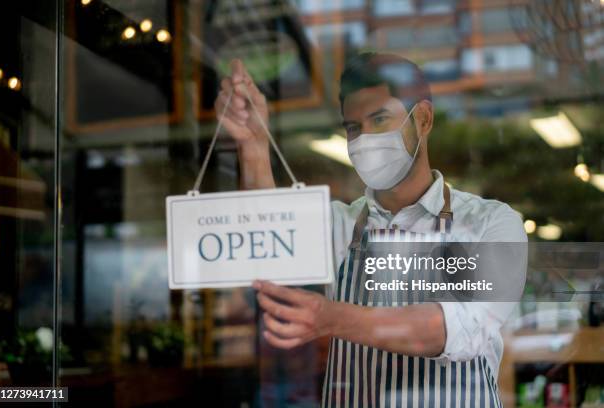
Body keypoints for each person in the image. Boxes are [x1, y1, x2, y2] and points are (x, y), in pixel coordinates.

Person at [214, 52, 526, 407]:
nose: (364, 139)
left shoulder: (492, 225)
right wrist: (253, 145)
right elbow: (266, 242)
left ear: (422, 119)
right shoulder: (338, 225)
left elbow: (462, 330)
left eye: (379, 119)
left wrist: (332, 317)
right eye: (352, 128)